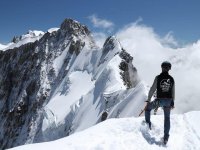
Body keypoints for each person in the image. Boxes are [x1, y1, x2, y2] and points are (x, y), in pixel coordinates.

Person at [145, 61, 175, 145]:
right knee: (167, 118)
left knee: (147, 109)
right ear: (169, 69)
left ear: (162, 67)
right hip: (168, 101)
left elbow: (152, 89)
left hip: (159, 101)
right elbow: (173, 92)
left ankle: (148, 125)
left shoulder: (158, 77)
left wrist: (148, 100)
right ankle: (166, 136)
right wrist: (172, 102)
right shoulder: (171, 79)